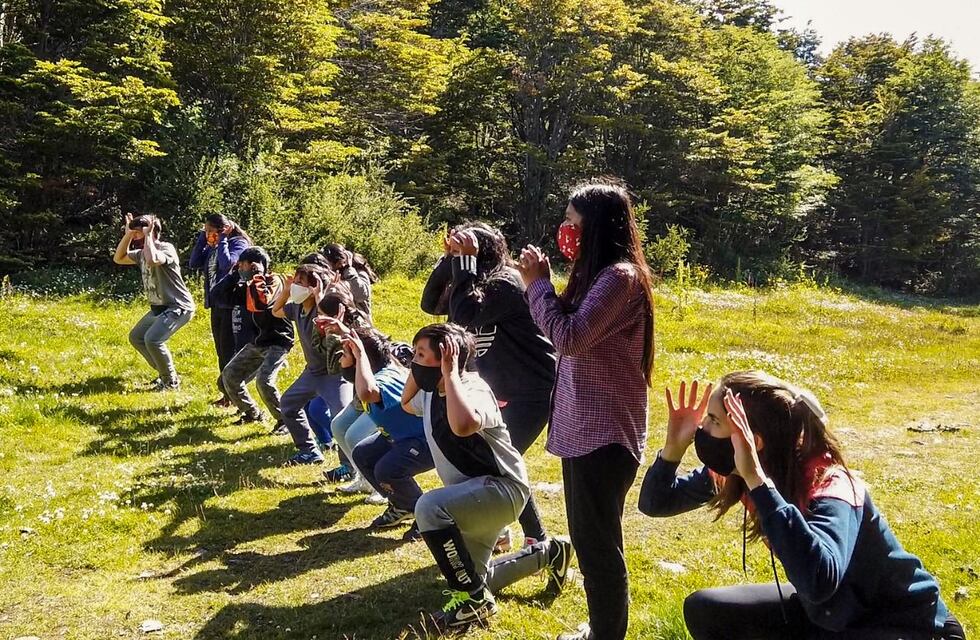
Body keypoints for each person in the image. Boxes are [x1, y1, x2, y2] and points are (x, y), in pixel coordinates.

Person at [638, 373, 966, 640]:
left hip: (904, 624)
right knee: (706, 609)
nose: (702, 429)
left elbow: (820, 580)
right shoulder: (737, 474)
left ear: (754, 442)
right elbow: (656, 503)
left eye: (713, 421)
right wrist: (672, 448)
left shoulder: (831, 486)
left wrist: (758, 483)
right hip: (830, 615)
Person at [518, 181, 656, 640]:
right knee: (590, 539)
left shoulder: (621, 278)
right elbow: (567, 327)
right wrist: (546, 288)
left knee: (597, 548)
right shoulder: (597, 275)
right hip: (585, 430)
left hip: (605, 433)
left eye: (574, 223)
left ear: (597, 226)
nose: (566, 232)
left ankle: (605, 635)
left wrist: (538, 286)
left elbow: (570, 337)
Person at [403, 323, 573, 630]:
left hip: (502, 490)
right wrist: (419, 366)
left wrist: (451, 374)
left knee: (428, 508)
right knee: (475, 577)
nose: (414, 361)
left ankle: (473, 603)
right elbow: (405, 403)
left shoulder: (473, 388)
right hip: (473, 493)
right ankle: (550, 552)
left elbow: (463, 426)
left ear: (447, 358)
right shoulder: (431, 394)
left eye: (421, 354)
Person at [421, 221, 557, 549]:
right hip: (496, 390)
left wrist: (464, 264)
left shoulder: (506, 282)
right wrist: (451, 259)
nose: (457, 259)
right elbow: (431, 304)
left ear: (479, 254)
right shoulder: (472, 280)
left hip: (529, 389)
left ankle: (535, 541)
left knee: (498, 465)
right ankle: (506, 533)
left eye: (462, 253)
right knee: (493, 464)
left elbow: (465, 315)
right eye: (453, 252)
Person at [342, 326, 434, 539]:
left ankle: (427, 517)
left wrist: (360, 353)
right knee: (363, 454)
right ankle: (403, 506)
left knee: (387, 469)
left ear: (361, 360)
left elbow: (367, 392)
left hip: (425, 442)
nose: (340, 361)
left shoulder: (383, 380)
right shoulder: (382, 365)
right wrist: (341, 328)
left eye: (346, 355)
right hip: (400, 438)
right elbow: (374, 342)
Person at [272, 264, 353, 465]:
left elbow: (326, 324)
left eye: (300, 283)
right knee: (288, 405)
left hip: (334, 374)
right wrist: (287, 289)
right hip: (312, 373)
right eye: (296, 282)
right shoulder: (297, 308)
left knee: (341, 419)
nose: (296, 286)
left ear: (313, 288)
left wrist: (320, 297)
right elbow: (276, 311)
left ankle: (348, 465)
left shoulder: (321, 310)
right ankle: (308, 451)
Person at [213, 246, 294, 431]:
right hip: (258, 340)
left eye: (242, 265)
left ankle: (285, 421)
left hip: (278, 341)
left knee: (264, 381)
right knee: (228, 377)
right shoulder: (249, 286)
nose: (240, 268)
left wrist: (257, 275)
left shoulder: (275, 281)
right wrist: (234, 275)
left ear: (254, 265)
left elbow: (261, 302)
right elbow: (218, 296)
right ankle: (252, 413)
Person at [113, 213, 195, 390]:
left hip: (178, 306)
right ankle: (164, 373)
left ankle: (170, 381)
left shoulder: (166, 248)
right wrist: (127, 235)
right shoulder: (142, 252)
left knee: (153, 339)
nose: (135, 236)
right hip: (159, 308)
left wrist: (148, 236)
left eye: (137, 233)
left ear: (150, 231)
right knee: (136, 337)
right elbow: (118, 258)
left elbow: (153, 260)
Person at [312, 285, 377, 492]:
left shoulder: (359, 328)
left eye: (322, 315)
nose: (319, 319)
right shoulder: (337, 327)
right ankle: (363, 478)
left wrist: (334, 334)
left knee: (355, 436)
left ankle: (379, 488)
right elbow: (321, 352)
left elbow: (333, 367)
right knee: (339, 427)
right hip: (360, 396)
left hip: (377, 395)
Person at [189, 213, 252, 406]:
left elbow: (227, 265)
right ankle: (228, 394)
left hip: (231, 305)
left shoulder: (238, 244)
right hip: (216, 305)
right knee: (220, 350)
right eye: (205, 230)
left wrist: (223, 239)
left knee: (228, 351)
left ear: (223, 230)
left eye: (210, 230)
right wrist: (202, 239)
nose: (208, 233)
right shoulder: (212, 246)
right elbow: (194, 262)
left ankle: (234, 395)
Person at [321, 243, 377, 318]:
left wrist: (348, 268)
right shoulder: (330, 274)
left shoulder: (359, 273)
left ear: (339, 262)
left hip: (359, 323)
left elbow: (361, 295)